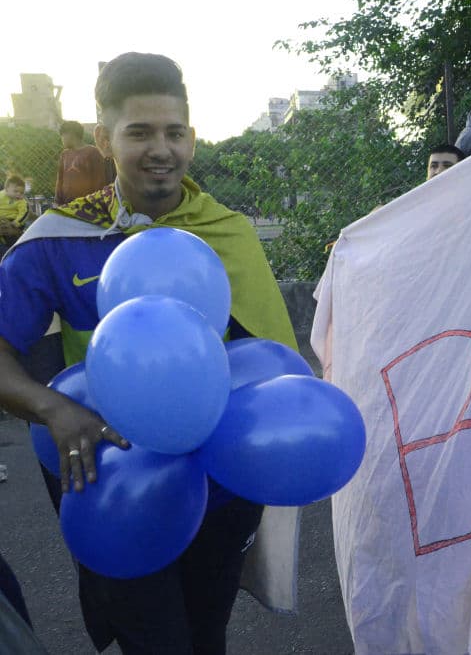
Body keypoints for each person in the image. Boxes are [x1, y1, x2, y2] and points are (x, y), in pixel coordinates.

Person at [0, 52, 297, 655]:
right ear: (106, 140)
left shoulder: (225, 231)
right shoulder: (61, 239)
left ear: (191, 137)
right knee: (153, 641)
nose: (160, 148)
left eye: (174, 132)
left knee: (206, 634)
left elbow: (269, 362)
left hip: (220, 490)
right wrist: (53, 409)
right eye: (138, 132)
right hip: (116, 482)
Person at [54, 120, 116, 206]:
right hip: (66, 205)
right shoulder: (65, 154)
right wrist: (57, 201)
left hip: (87, 205)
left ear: (71, 134)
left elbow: (99, 181)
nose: (62, 139)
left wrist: (95, 203)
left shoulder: (92, 152)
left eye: (63, 135)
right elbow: (60, 180)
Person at [0, 175, 29, 254]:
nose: (18, 194)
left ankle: (13, 250)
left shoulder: (21, 201)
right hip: (2, 219)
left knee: (11, 238)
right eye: (16, 191)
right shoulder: (1, 195)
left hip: (14, 220)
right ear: (6, 189)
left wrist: (16, 223)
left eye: (21, 192)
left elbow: (24, 213)